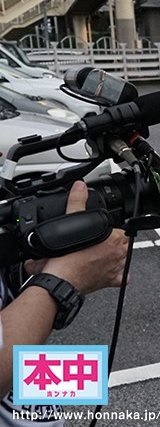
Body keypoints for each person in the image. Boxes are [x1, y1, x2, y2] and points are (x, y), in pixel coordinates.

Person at [0, 180, 129, 425]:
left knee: (90, 374)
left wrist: (28, 273)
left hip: (27, 391)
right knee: (98, 375)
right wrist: (64, 278)